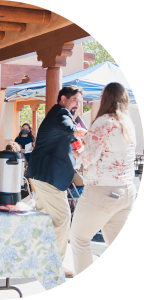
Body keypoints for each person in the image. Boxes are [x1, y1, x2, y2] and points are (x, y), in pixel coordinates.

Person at [69, 82, 136, 276]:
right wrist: (88, 136)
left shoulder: (104, 121)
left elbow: (88, 158)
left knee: (79, 238)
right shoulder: (127, 123)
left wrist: (77, 147)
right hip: (126, 191)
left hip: (102, 192)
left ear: (105, 98)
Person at [26, 85, 87, 277]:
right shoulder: (60, 113)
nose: (78, 104)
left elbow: (64, 146)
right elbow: (69, 128)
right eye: (75, 100)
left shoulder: (61, 115)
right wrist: (88, 134)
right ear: (63, 99)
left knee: (46, 220)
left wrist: (79, 154)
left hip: (47, 175)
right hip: (47, 176)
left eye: (79, 101)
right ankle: (54, 266)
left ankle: (39, 262)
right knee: (62, 217)